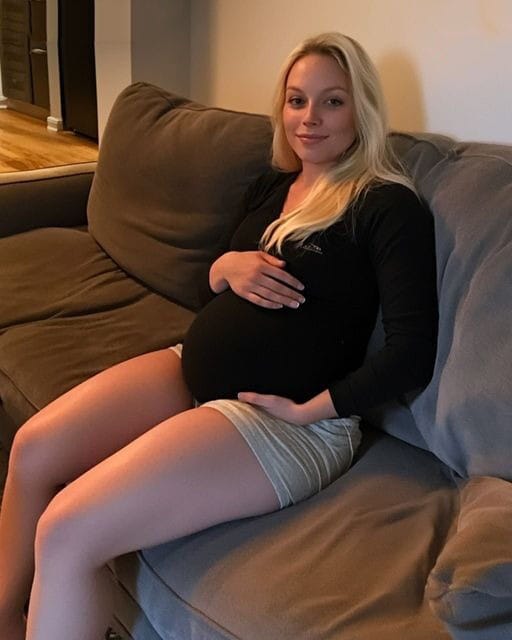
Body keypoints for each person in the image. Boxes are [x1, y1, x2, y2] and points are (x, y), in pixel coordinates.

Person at [0, 32, 437, 640]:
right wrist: (223, 268)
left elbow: (412, 353)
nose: (310, 118)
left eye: (332, 101)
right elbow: (211, 296)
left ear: (361, 110)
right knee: (32, 450)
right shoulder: (271, 188)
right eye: (297, 100)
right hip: (193, 370)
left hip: (285, 423)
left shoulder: (385, 206)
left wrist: (311, 409)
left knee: (66, 531)